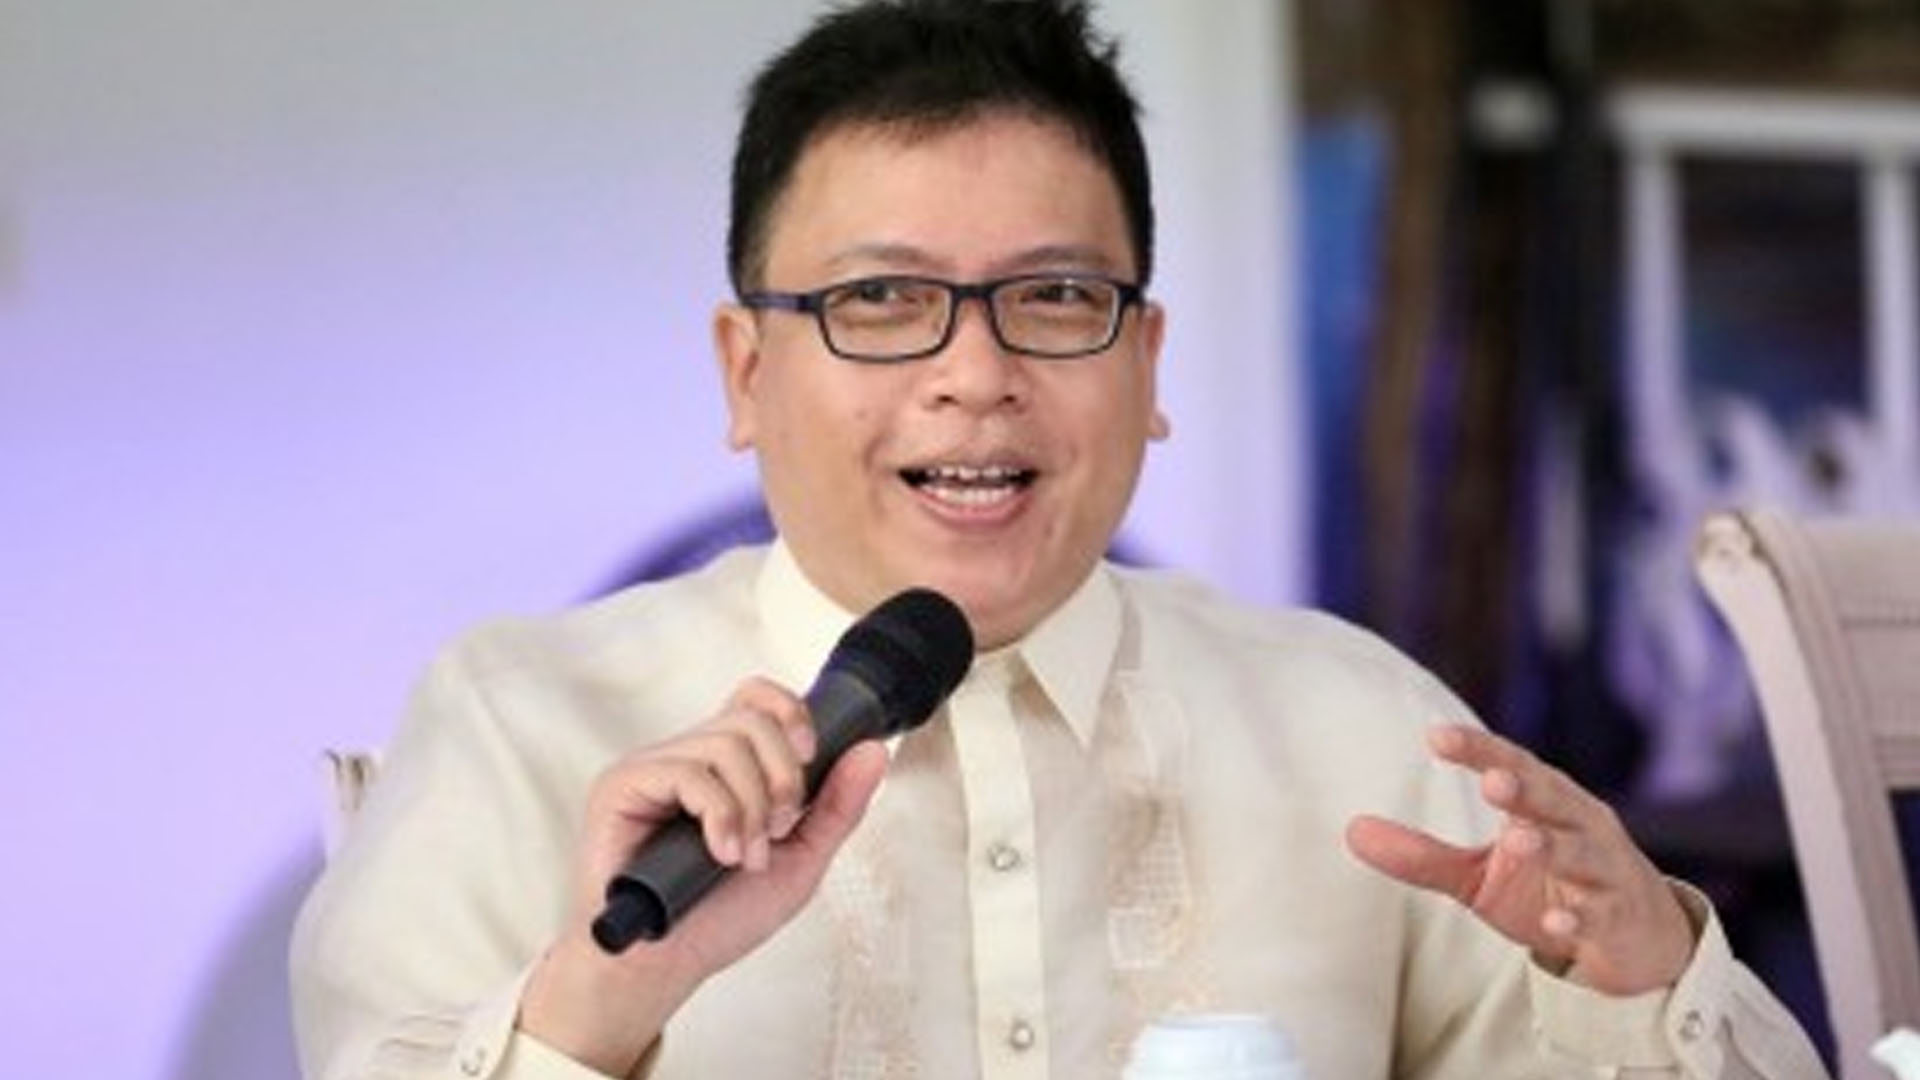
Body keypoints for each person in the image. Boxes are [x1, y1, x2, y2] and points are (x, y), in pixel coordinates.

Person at [289, 2, 1831, 1077]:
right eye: (881, 301)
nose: (977, 373)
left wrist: (1645, 983)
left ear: (1147, 370)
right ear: (746, 376)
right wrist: (602, 1000)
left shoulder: (1365, 734)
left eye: (1054, 297)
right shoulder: (522, 728)